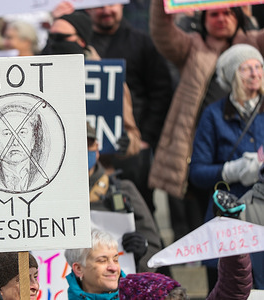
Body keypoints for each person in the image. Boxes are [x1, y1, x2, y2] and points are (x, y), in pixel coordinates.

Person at [148, 0, 264, 202]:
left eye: (228, 13)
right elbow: (162, 32)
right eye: (214, 14)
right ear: (203, 19)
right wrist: (161, 3)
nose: (221, 18)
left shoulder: (253, 42)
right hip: (198, 147)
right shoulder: (192, 46)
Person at [82, 3, 174, 215]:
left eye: (111, 4)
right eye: (99, 5)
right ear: (88, 9)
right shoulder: (82, 45)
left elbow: (160, 92)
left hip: (133, 147)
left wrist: (145, 138)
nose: (106, 10)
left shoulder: (141, 42)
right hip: (91, 151)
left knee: (138, 210)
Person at [189, 44, 264, 289]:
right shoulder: (214, 115)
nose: (255, 73)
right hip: (229, 221)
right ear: (233, 75)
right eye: (246, 68)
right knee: (228, 287)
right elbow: (197, 173)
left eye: (259, 66)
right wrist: (232, 170)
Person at [43, 10, 141, 157]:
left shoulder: (109, 79)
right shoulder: (39, 77)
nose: (55, 43)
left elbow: (133, 137)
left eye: (62, 37)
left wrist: (126, 142)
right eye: (51, 37)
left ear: (81, 41)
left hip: (98, 170)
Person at [64, 228, 252, 299]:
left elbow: (230, 293)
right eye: (102, 260)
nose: (113, 267)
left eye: (115, 259)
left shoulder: (145, 289)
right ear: (78, 269)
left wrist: (234, 250)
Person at [87, 123, 162, 273]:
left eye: (87, 145)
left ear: (97, 148)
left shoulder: (123, 190)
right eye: (75, 146)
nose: (81, 152)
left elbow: (154, 247)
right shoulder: (49, 198)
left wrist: (141, 252)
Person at [0, 102, 49, 192]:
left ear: (33, 140)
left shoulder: (41, 178)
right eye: (7, 133)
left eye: (22, 132)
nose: (15, 142)